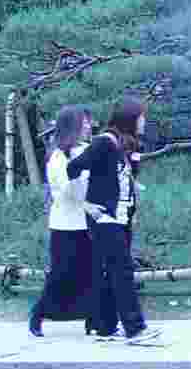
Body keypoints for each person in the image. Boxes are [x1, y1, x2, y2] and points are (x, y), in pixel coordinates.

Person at [68, 97, 160, 345]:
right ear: (129, 118)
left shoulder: (127, 145)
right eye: (141, 117)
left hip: (122, 217)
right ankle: (135, 329)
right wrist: (85, 204)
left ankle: (105, 327)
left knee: (110, 271)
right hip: (104, 218)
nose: (144, 121)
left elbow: (123, 178)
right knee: (122, 271)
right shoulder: (104, 142)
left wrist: (133, 197)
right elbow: (73, 168)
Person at [29, 105, 95, 337]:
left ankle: (93, 319)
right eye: (84, 122)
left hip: (90, 223)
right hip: (66, 225)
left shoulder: (89, 150)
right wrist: (84, 180)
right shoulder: (57, 157)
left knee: (91, 274)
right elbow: (67, 191)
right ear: (72, 126)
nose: (89, 126)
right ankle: (38, 314)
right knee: (61, 275)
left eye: (89, 121)